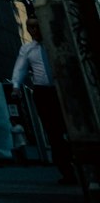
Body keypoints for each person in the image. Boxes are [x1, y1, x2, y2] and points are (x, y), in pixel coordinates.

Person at [12, 18, 73, 183]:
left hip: (63, 89)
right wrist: (16, 86)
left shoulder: (56, 43)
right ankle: (66, 170)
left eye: (37, 26)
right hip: (44, 92)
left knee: (71, 129)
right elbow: (20, 69)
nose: (35, 30)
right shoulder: (27, 49)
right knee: (54, 133)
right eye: (31, 27)